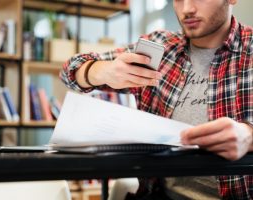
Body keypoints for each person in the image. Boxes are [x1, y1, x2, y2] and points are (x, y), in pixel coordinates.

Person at [60, 0, 253, 199]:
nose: (187, 9)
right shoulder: (160, 47)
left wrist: (249, 137)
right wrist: (102, 71)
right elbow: (69, 70)